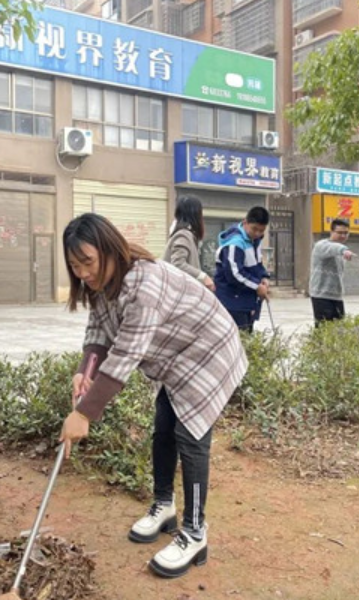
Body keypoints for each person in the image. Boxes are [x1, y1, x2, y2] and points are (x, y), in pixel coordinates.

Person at [58, 213, 248, 579]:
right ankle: (164, 505)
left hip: (208, 350)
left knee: (190, 437)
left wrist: (84, 413)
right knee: (163, 429)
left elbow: (126, 355)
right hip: (175, 357)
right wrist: (86, 369)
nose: (82, 273)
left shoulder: (144, 283)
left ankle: (194, 534)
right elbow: (99, 330)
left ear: (109, 250)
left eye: (88, 262)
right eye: (74, 265)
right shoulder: (103, 283)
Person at [214, 207, 270, 333]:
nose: (257, 234)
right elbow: (234, 274)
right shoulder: (235, 244)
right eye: (254, 229)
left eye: (261, 230)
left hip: (246, 302)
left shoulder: (254, 241)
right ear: (245, 223)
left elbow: (257, 264)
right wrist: (257, 286)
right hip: (232, 303)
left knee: (247, 341)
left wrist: (264, 277)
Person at [161, 196, 215, 291]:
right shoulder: (184, 234)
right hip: (179, 292)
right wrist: (203, 276)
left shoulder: (183, 233)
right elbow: (178, 263)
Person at [308, 218, 355, 326]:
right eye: (340, 233)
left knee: (339, 330)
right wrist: (344, 250)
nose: (343, 236)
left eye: (346, 233)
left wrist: (343, 251)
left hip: (336, 297)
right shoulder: (322, 245)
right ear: (332, 232)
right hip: (322, 296)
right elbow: (332, 248)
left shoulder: (339, 251)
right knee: (324, 330)